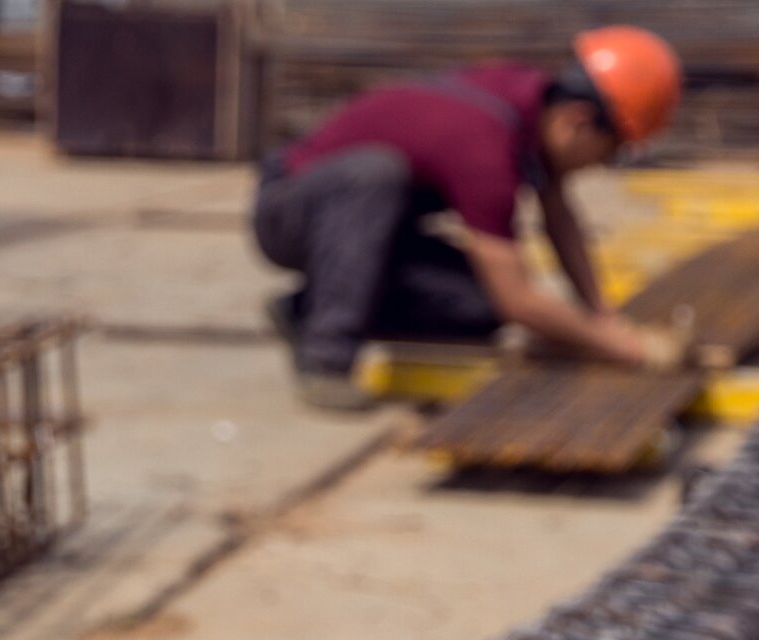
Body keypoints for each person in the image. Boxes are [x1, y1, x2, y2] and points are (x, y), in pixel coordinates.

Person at [252, 26, 689, 410]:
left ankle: (303, 308)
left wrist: (601, 314)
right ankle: (326, 357)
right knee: (377, 175)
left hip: (374, 233)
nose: (600, 165)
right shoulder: (487, 149)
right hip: (292, 213)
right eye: (610, 152)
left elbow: (558, 212)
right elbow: (518, 299)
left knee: (478, 308)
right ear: (579, 121)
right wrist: (628, 350)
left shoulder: (532, 102)